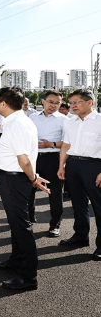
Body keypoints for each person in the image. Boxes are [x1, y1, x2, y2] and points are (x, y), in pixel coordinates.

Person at [0, 86, 50, 291]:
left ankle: (28, 276)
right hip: (12, 178)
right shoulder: (17, 121)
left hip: (14, 180)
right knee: (16, 224)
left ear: (4, 104)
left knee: (21, 226)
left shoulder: (17, 124)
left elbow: (24, 159)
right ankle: (16, 261)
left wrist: (33, 178)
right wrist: (32, 176)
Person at [57, 89, 101, 261]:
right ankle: (80, 236)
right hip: (73, 165)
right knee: (77, 203)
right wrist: (62, 166)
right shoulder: (71, 122)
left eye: (77, 102)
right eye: (71, 103)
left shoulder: (99, 121)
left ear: (90, 102)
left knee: (99, 208)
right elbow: (66, 145)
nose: (72, 105)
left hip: (95, 166)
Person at [28, 90, 68, 234]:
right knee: (28, 190)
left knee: (55, 193)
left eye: (58, 103)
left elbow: (68, 143)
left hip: (53, 159)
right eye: (51, 101)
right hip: (33, 159)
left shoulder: (64, 120)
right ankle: (28, 220)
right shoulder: (32, 117)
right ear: (43, 101)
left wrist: (51, 144)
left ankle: (55, 225)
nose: (54, 105)